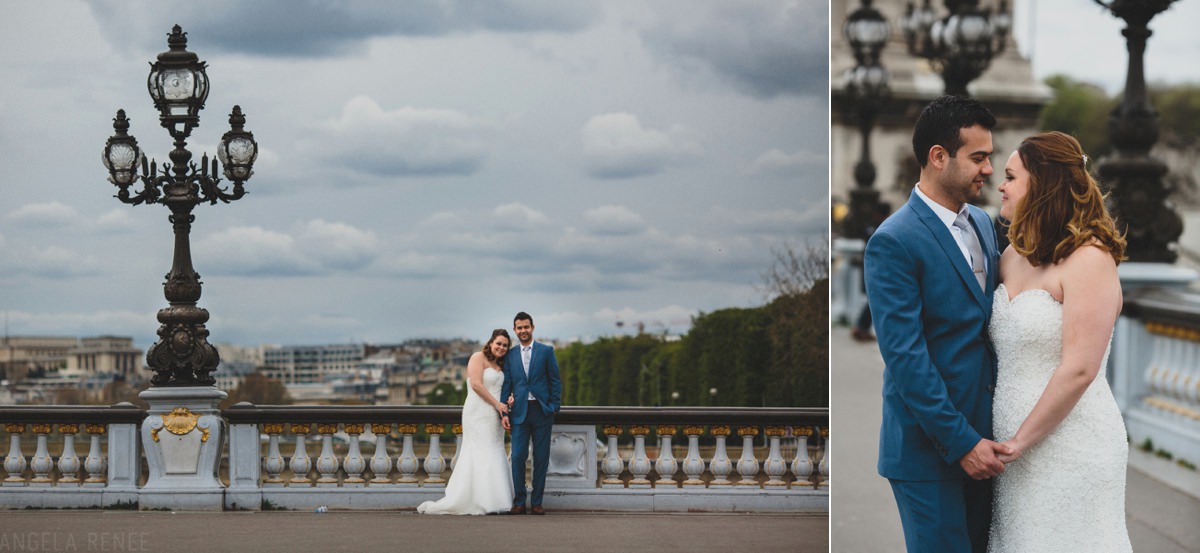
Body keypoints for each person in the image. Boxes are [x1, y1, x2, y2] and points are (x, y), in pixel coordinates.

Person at [864, 94, 1014, 553]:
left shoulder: (986, 226)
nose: (989, 168)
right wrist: (962, 442)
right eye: (979, 157)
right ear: (938, 156)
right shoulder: (893, 242)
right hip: (929, 453)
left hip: (985, 445)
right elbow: (907, 359)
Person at [987, 131, 1130, 552]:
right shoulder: (1012, 255)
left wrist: (1019, 441)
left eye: (1011, 176)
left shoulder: (1090, 259)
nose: (1001, 185)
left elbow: (1080, 367)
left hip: (1071, 446)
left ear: (1042, 184)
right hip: (1010, 457)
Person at [417, 329, 515, 515]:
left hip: (495, 413)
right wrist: (497, 404)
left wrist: (509, 399)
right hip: (478, 411)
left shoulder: (503, 364)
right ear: (491, 342)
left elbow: (505, 387)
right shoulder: (477, 357)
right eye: (499, 343)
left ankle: (494, 498)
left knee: (494, 449)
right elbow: (477, 385)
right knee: (479, 451)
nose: (501, 348)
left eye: (505, 345)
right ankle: (483, 499)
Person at [500, 311, 562, 515]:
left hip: (542, 411)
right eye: (519, 327)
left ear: (532, 328)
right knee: (518, 457)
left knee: (541, 458)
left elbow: (555, 380)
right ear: (515, 330)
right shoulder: (510, 355)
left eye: (526, 327)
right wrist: (504, 411)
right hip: (519, 412)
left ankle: (537, 502)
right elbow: (507, 383)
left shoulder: (546, 351)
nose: (523, 330)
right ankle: (519, 501)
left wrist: (554, 406)